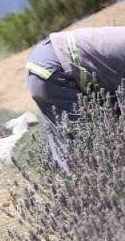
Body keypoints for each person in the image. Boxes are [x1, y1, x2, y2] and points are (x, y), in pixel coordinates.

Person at [26, 26, 125, 171]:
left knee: (69, 152)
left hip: (45, 63)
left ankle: (65, 185)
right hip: (55, 70)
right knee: (88, 154)